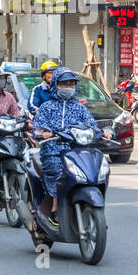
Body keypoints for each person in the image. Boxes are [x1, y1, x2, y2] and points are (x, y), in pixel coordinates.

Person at [32, 67, 101, 223]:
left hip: (75, 152)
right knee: (56, 170)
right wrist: (44, 133)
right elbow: (38, 126)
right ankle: (55, 208)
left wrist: (102, 132)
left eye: (71, 84)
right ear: (56, 85)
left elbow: (91, 124)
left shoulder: (79, 108)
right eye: (64, 84)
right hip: (52, 151)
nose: (68, 87)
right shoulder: (47, 107)